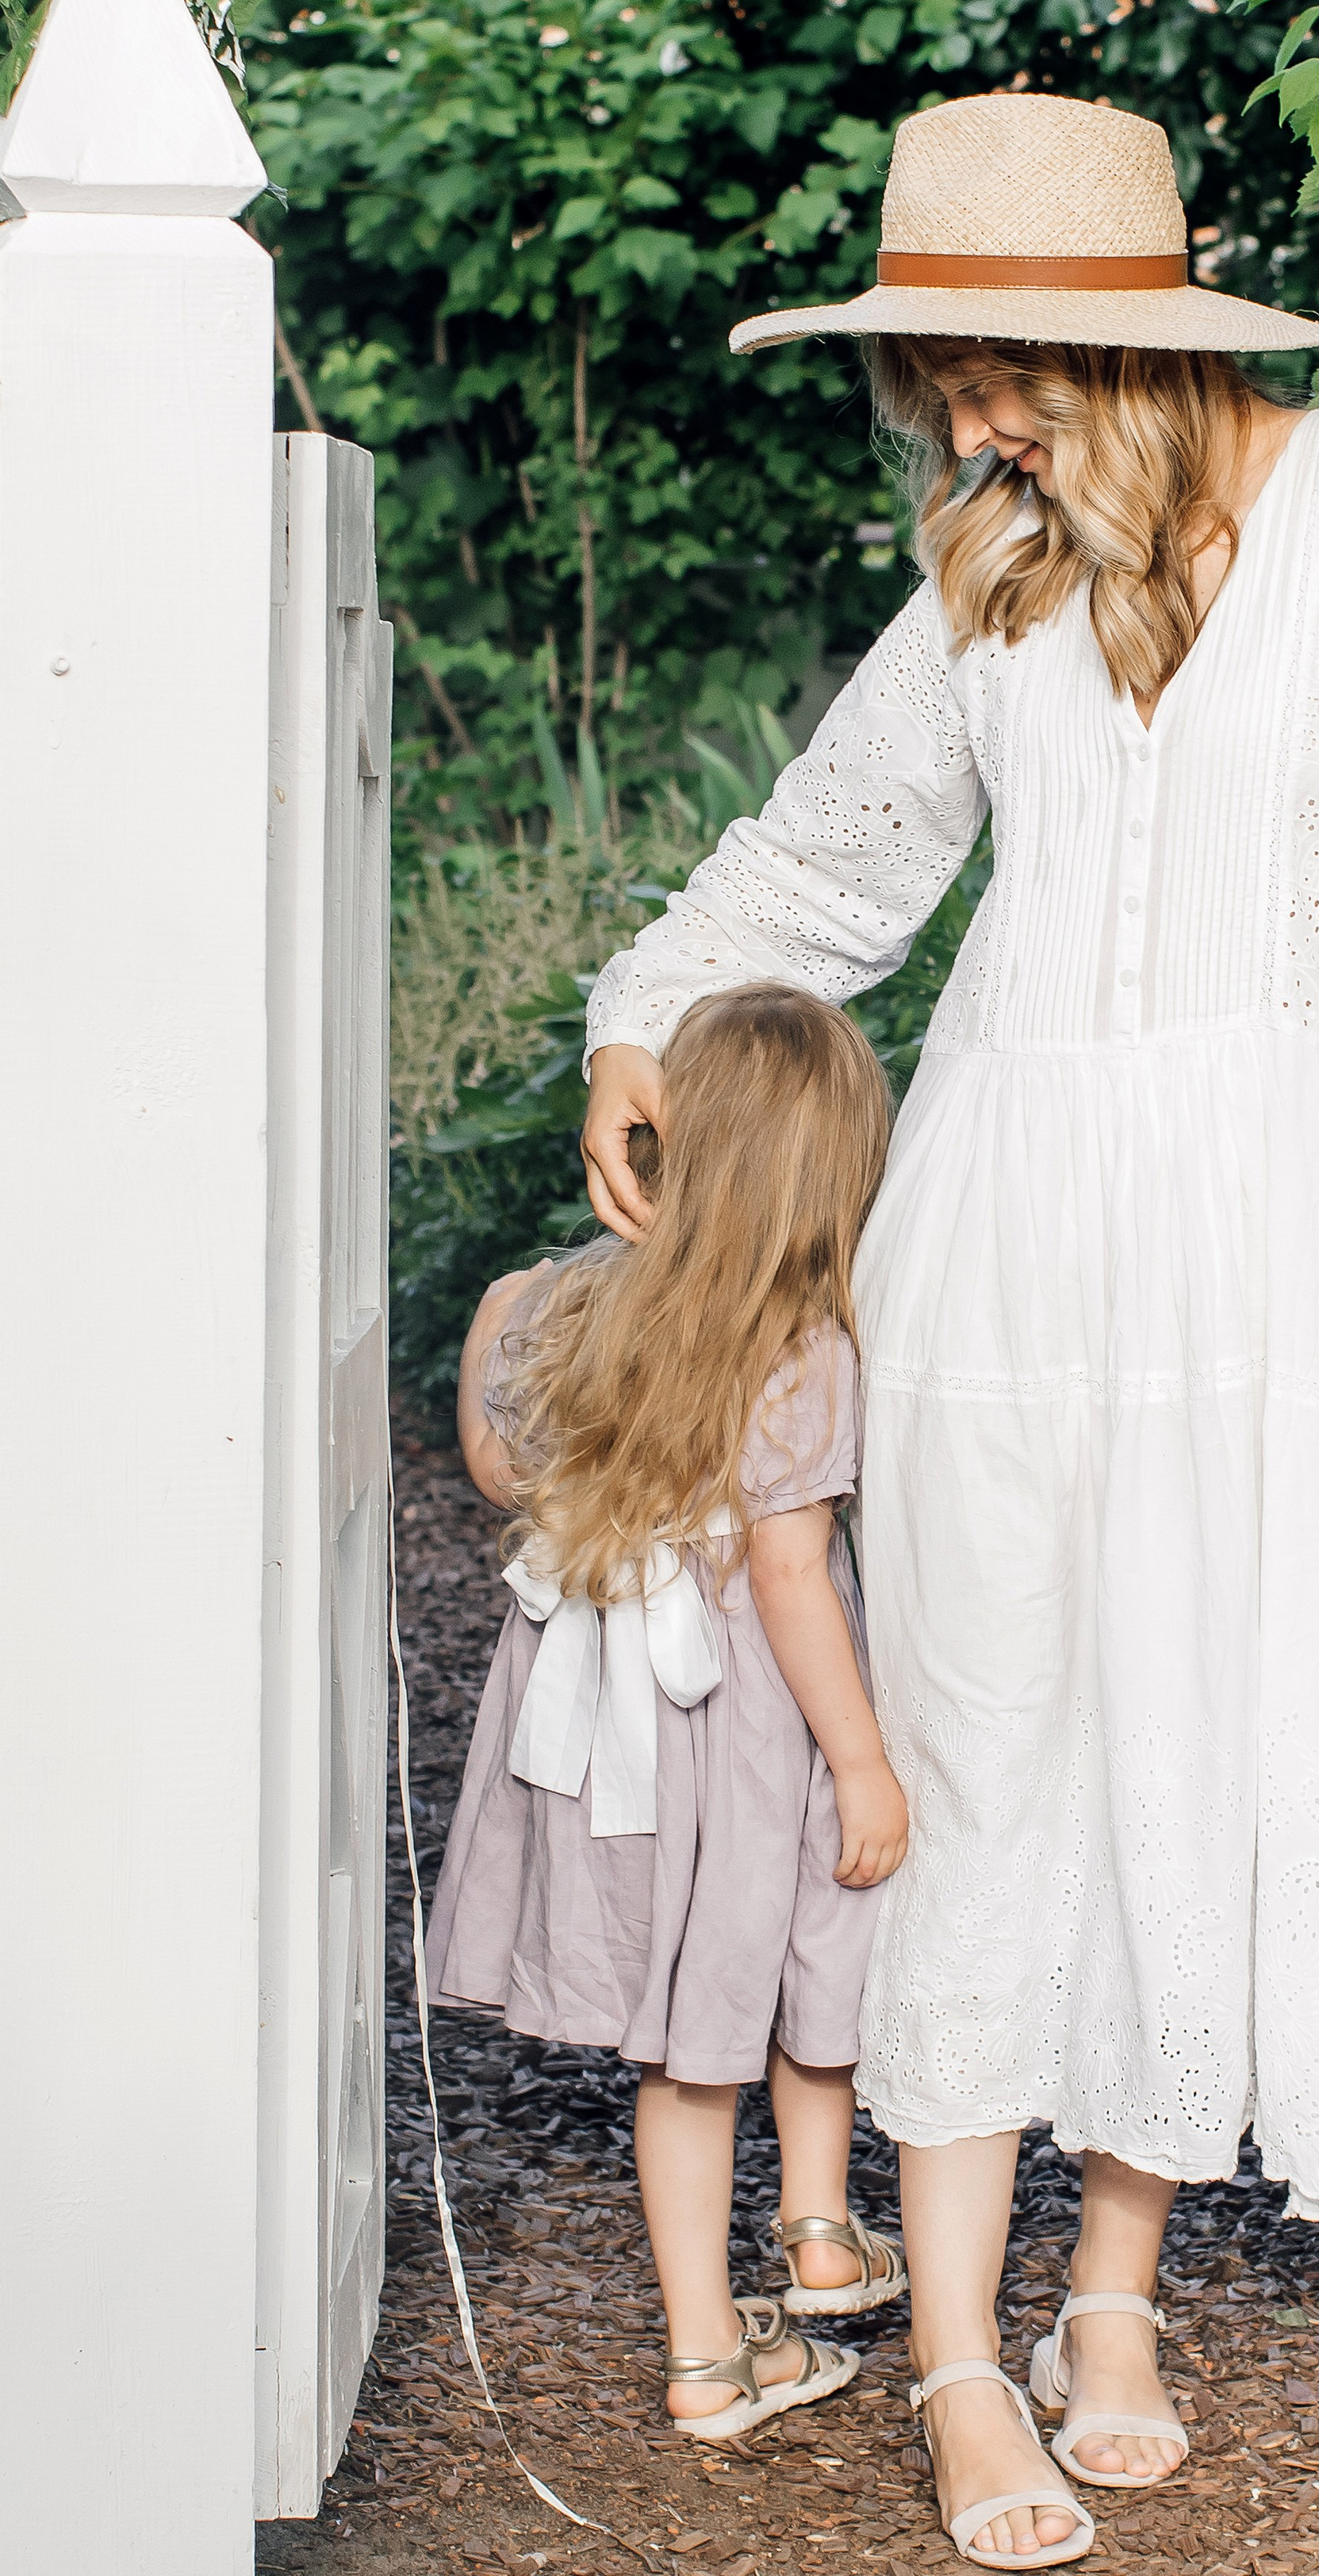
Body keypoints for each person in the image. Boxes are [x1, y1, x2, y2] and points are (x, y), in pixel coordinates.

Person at [576, 93, 1319, 2563]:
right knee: (980, 1751)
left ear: (1144, 344)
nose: (970, 427)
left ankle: (1116, 2292)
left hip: (1280, 1256)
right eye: (941, 383)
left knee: (1200, 1738)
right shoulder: (990, 560)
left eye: (1003, 374)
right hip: (1001, 1231)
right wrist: (648, 1004)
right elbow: (832, 855)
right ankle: (965, 2350)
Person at [427, 983, 912, 2444]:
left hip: (618, 1705)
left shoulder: (551, 1305)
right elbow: (788, 1576)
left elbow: (500, 1477)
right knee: (805, 1938)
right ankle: (784, 2270)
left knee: (685, 2022)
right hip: (751, 1725)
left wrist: (510, 1360)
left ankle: (751, 2308)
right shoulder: (804, 1347)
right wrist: (864, 1756)